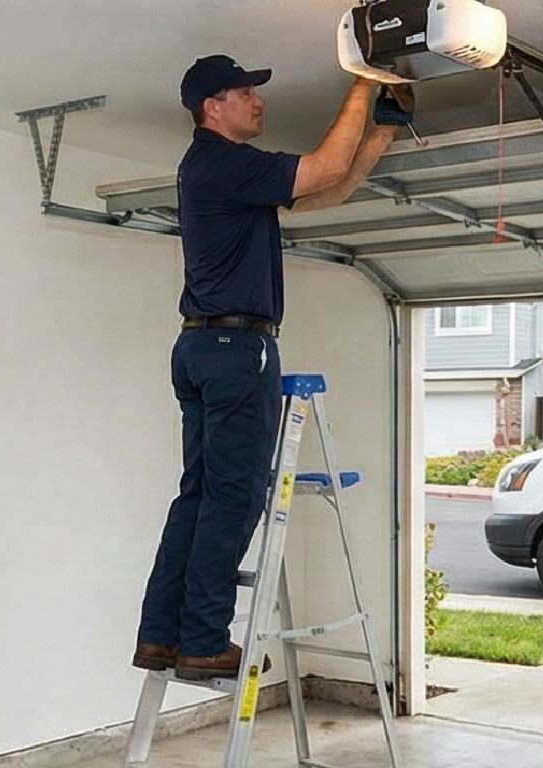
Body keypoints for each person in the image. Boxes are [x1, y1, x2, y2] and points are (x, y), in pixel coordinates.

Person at [133, 54, 416, 679]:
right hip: (237, 351)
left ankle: (161, 635)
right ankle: (204, 640)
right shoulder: (223, 162)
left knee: (201, 495)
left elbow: (326, 188)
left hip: (204, 349)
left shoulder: (218, 172)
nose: (259, 102)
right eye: (244, 93)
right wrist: (367, 79)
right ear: (213, 107)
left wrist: (382, 133)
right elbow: (324, 166)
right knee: (233, 498)